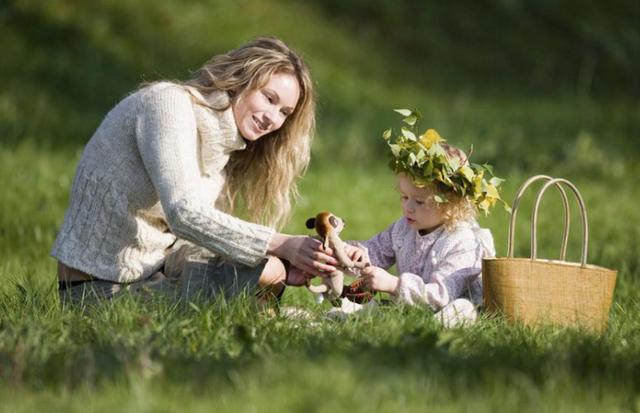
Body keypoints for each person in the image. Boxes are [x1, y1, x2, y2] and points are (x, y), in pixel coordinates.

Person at [52, 37, 338, 304]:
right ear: (241, 81)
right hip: (96, 290)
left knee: (270, 269)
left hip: (154, 269)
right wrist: (280, 244)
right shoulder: (168, 104)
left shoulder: (222, 145)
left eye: (284, 113)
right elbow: (184, 213)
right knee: (265, 270)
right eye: (269, 98)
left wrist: (291, 263)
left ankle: (278, 306)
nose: (272, 118)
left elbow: (196, 235)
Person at [346, 123, 506, 327]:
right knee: (357, 299)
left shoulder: (463, 242)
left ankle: (429, 328)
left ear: (451, 204)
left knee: (462, 310)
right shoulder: (403, 228)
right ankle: (370, 317)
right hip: (410, 305)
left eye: (419, 201)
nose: (408, 207)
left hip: (448, 305)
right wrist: (355, 254)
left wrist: (394, 284)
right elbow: (376, 251)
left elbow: (442, 294)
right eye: (404, 197)